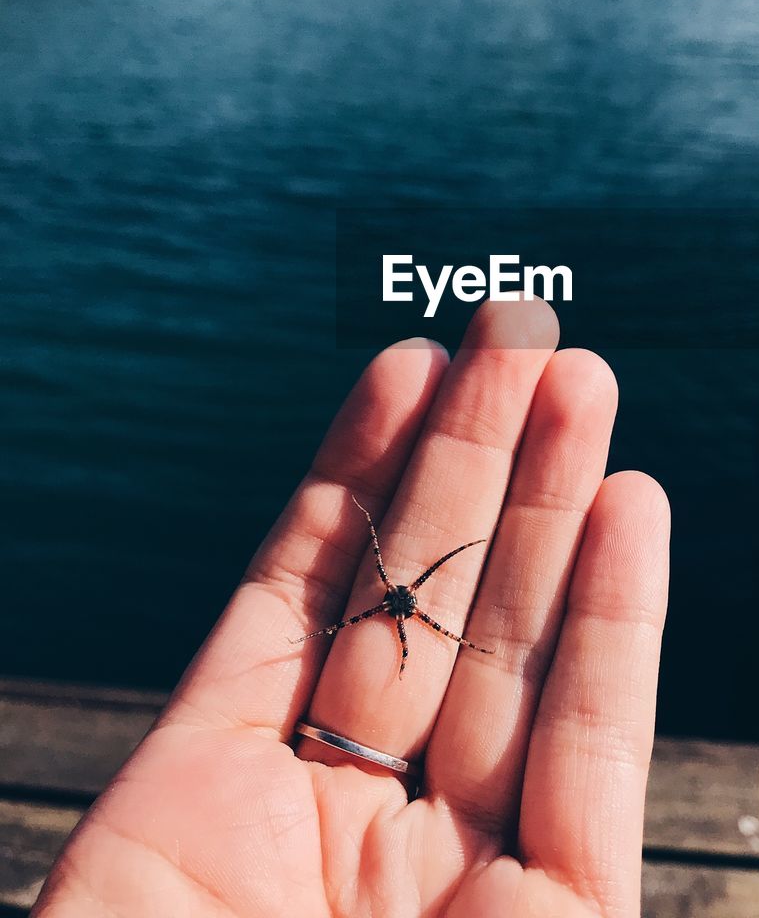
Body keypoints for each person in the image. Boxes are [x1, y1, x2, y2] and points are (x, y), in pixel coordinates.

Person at [35, 300, 669, 918]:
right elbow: (400, 590)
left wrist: (421, 587)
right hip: (396, 604)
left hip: (398, 603)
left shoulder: (399, 606)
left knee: (406, 619)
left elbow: (406, 593)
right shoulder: (398, 606)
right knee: (402, 620)